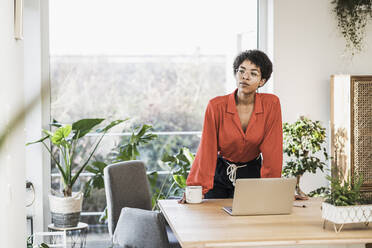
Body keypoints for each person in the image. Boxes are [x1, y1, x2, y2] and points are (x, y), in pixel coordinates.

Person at [179, 49, 282, 203]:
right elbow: (207, 148)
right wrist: (196, 187)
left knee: (251, 223)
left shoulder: (271, 104)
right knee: (213, 221)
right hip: (219, 173)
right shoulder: (216, 106)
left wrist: (273, 188)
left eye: (253, 73)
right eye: (241, 71)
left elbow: (273, 149)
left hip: (252, 174)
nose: (245, 76)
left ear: (262, 81)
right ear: (236, 74)